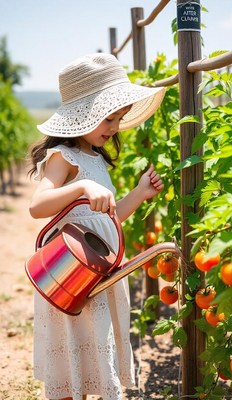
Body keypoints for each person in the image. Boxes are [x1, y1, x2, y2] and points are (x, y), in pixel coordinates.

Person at [28, 53, 165, 400]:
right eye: (107, 118)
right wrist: (81, 188)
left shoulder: (95, 159)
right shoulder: (64, 157)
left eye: (119, 118)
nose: (114, 127)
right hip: (70, 275)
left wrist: (140, 192)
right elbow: (36, 206)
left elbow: (109, 219)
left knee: (93, 359)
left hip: (98, 277)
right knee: (73, 360)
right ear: (82, 114)